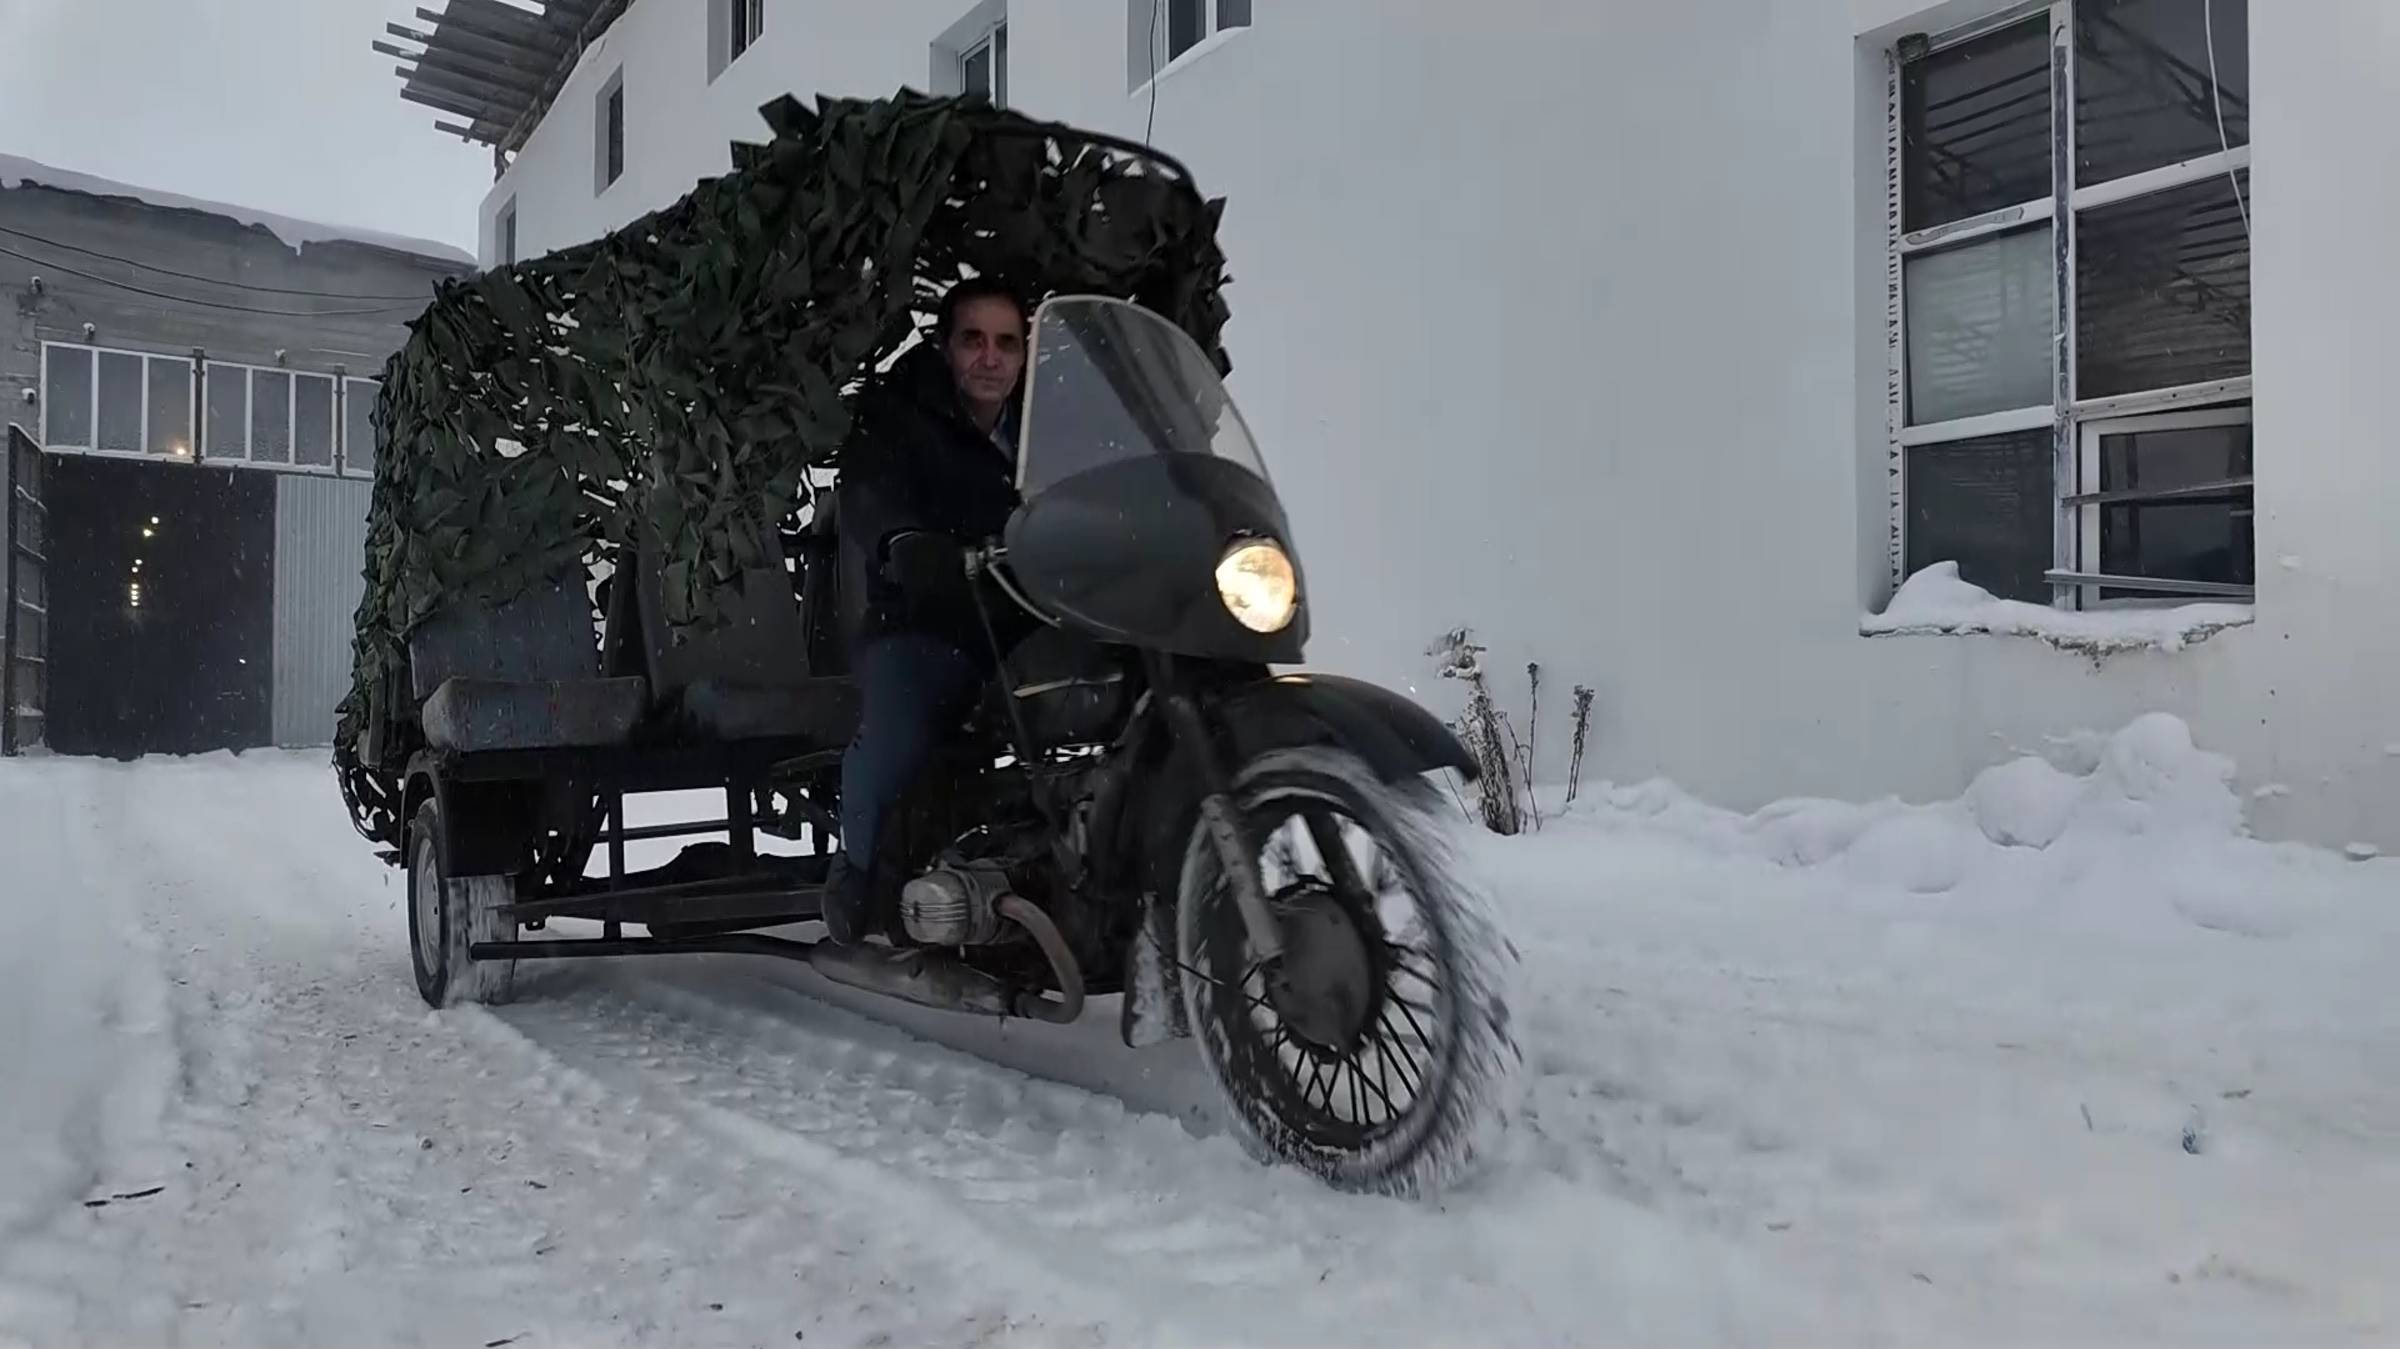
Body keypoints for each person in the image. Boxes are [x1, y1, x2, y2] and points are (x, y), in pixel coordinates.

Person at [821, 277, 1030, 944]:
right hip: (925, 617)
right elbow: (868, 489)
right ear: (945, 347)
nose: (990, 358)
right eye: (974, 339)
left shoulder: (1045, 425)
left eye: (1007, 343)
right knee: (899, 734)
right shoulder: (900, 410)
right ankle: (856, 878)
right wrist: (903, 541)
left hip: (1026, 617)